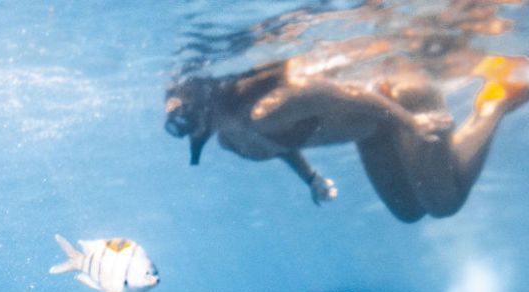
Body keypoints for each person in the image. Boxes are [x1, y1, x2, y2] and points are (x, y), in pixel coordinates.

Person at [165, 51, 528, 219]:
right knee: (408, 212)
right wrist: (311, 178)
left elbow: (341, 93)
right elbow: (278, 146)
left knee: (443, 204)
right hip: (374, 131)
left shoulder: (265, 110)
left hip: (398, 97)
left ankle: (495, 99)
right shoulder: (234, 141)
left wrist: (411, 122)